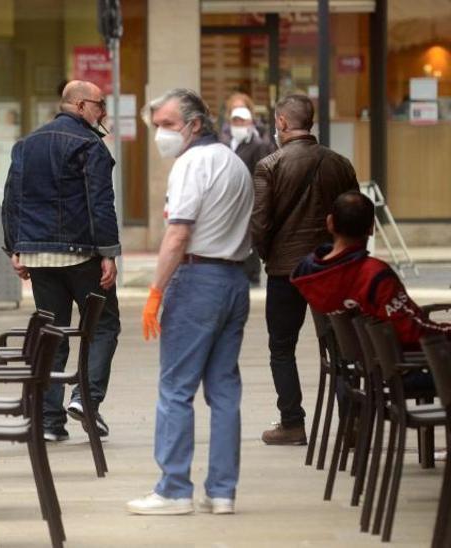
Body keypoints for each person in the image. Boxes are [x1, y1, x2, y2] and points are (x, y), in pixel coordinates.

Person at [131, 88, 252, 516]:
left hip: (198, 278)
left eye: (167, 125)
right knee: (223, 389)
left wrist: (156, 291)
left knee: (176, 387)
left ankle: (173, 488)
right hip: (234, 280)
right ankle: (222, 491)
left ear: (194, 123)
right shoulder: (233, 162)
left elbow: (178, 234)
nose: (161, 134)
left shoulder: (191, 164)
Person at [3, 80, 121, 442]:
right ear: (82, 105)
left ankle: (50, 421)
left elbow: (11, 200)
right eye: (100, 105)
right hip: (81, 252)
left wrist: (15, 249)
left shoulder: (26, 144)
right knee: (102, 327)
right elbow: (100, 203)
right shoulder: (90, 145)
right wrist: (108, 253)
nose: (103, 113)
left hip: (39, 256)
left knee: (53, 334)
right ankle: (86, 400)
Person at [250, 94, 360, 446]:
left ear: (281, 122)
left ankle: (292, 423)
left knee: (282, 347)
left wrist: (268, 256)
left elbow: (260, 223)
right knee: (340, 346)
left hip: (286, 271)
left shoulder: (269, 165)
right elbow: (356, 218)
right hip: (332, 269)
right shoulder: (340, 164)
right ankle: (351, 425)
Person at [291, 191, 451, 350]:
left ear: (330, 223)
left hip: (359, 358)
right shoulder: (374, 274)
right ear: (371, 228)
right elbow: (411, 331)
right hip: (402, 365)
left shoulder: (311, 273)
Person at [223, 106, 276, 286]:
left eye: (241, 121)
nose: (237, 124)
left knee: (249, 238)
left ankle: (252, 276)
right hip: (232, 199)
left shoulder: (258, 145)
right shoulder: (230, 143)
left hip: (250, 198)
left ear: (250, 123)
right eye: (234, 121)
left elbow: (260, 174)